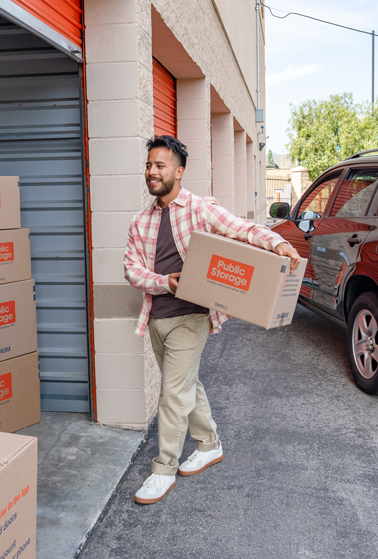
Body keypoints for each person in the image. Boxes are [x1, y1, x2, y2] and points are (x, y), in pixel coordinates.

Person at [123, 135, 300, 504]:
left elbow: (243, 228)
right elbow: (131, 270)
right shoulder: (140, 222)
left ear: (179, 171)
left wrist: (277, 243)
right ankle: (209, 444)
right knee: (186, 385)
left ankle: (163, 470)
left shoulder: (200, 209)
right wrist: (163, 282)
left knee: (172, 393)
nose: (152, 172)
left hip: (192, 316)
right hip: (156, 318)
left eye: (161, 166)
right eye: (149, 165)